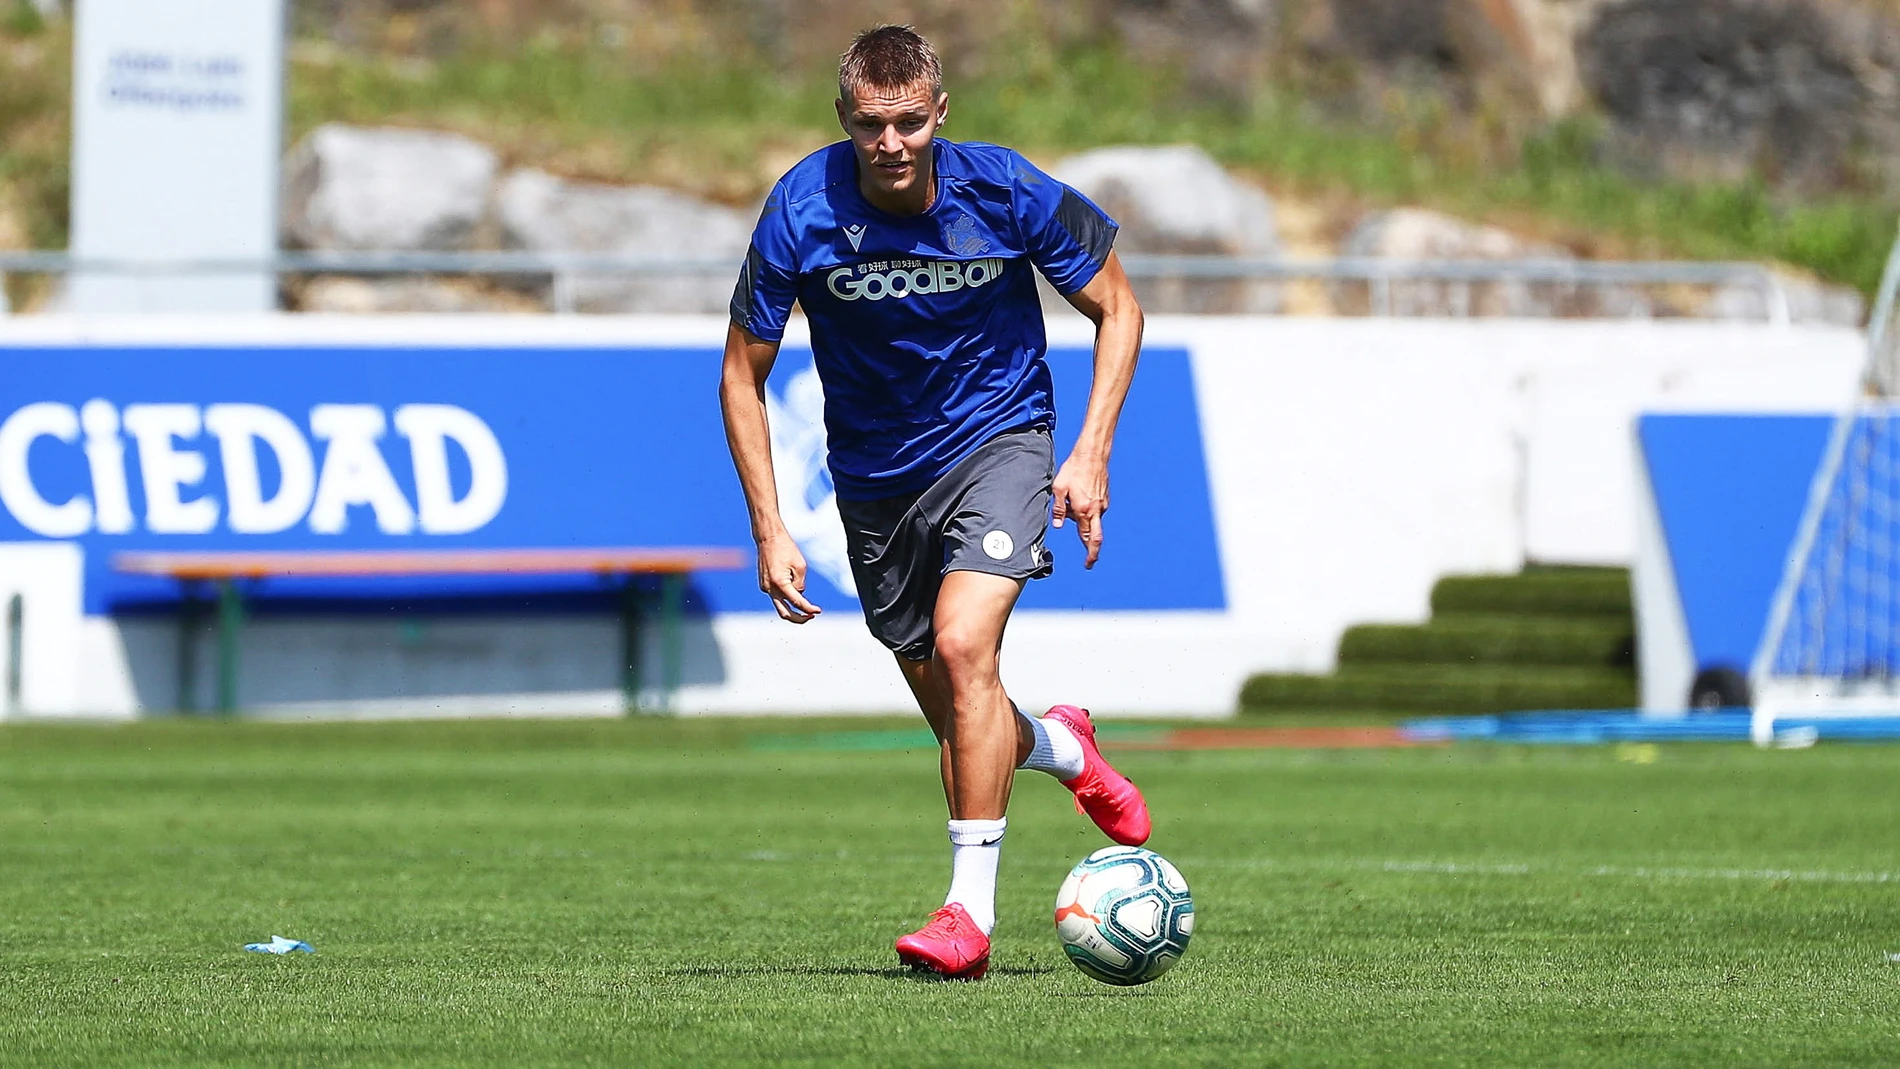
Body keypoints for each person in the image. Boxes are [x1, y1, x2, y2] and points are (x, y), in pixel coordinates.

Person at [718, 24, 1149, 981]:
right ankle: (1067, 750)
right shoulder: (800, 209)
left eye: (911, 122)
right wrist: (772, 527)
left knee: (965, 648)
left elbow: (1119, 308)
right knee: (963, 718)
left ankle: (967, 916)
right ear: (844, 120)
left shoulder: (1003, 188)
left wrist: (1088, 452)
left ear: (939, 115)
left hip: (1001, 441)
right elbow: (742, 378)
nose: (893, 143)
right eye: (872, 125)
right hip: (874, 481)